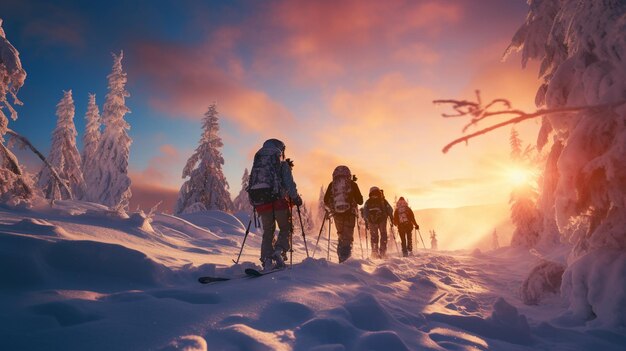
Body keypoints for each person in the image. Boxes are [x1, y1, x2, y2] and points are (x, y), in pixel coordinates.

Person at [247, 139, 302, 271]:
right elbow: (289, 185)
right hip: (279, 202)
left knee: (268, 231)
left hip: (262, 203)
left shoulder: (258, 163)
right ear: (280, 150)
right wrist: (296, 198)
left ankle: (266, 259)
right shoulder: (282, 165)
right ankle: (279, 251)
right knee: (285, 228)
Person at [323, 165, 363, 263]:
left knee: (341, 237)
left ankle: (341, 259)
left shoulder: (332, 184)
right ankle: (345, 262)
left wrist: (332, 208)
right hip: (350, 214)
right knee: (348, 238)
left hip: (337, 214)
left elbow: (325, 200)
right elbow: (360, 201)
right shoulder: (352, 184)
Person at [363, 186, 393, 258]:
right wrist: (391, 218)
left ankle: (374, 252)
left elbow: (365, 212)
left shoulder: (368, 201)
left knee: (374, 237)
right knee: (383, 235)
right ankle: (382, 252)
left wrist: (367, 222)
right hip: (382, 220)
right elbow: (390, 209)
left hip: (371, 221)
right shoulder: (382, 200)